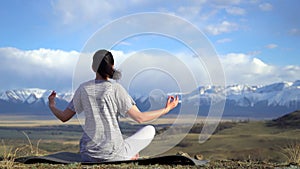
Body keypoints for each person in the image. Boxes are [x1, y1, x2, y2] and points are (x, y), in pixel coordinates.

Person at [48, 49, 179, 162]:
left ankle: (127, 155)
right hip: (113, 154)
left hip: (87, 155)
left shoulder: (83, 89)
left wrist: (52, 105)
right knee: (150, 129)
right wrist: (167, 109)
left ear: (93, 67)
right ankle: (127, 156)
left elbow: (64, 117)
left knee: (122, 139)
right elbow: (140, 118)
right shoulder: (116, 89)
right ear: (112, 66)